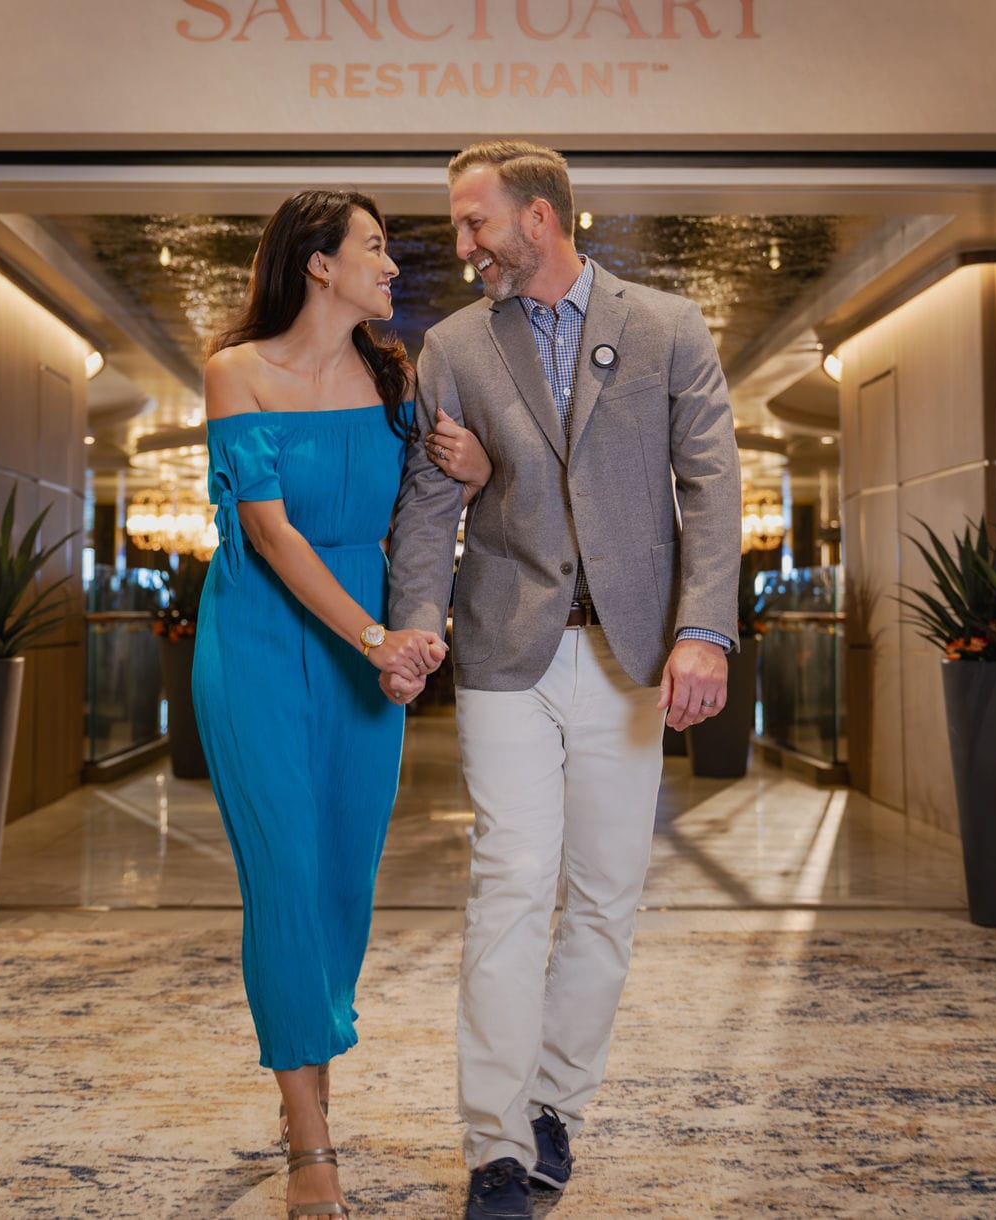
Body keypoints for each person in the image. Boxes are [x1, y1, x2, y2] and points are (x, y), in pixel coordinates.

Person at [382, 141, 742, 1220]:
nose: (460, 245)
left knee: (603, 896)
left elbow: (710, 491)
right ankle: (494, 1142)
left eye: (473, 223)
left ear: (538, 219)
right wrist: (411, 624)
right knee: (509, 879)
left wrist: (704, 632)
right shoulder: (450, 345)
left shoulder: (668, 328)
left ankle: (552, 1104)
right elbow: (428, 508)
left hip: (629, 656)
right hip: (504, 650)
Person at [192, 189, 490, 1219]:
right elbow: (271, 534)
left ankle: (302, 1072)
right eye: (373, 248)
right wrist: (371, 637)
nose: (392, 266)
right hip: (263, 640)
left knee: (341, 882)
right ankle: (309, 1140)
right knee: (282, 873)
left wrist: (476, 467)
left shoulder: (393, 372)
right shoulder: (236, 369)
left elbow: (429, 504)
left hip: (371, 652)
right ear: (316, 263)